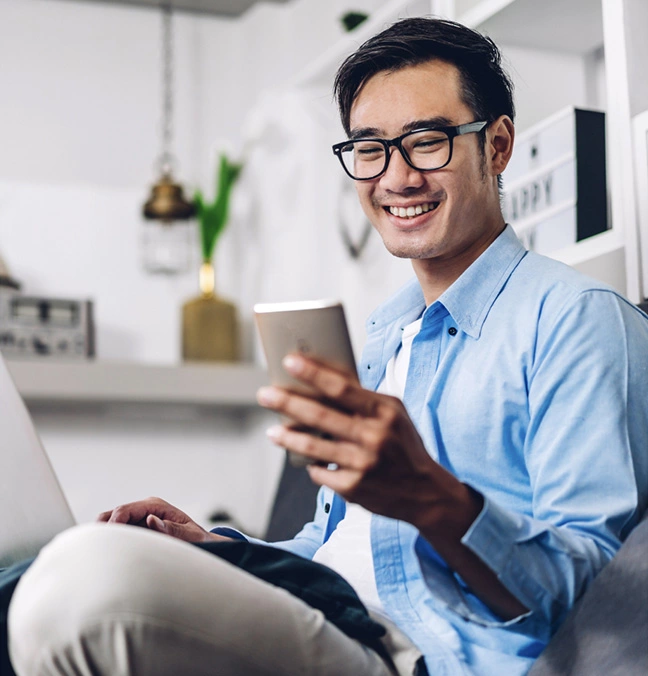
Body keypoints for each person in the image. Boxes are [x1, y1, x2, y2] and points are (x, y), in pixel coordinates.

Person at [7, 17, 648, 676]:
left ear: (499, 145)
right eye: (370, 149)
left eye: (426, 141)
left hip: (420, 656)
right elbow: (334, 544)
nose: (397, 178)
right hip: (334, 616)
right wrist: (222, 550)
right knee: (40, 572)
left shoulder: (578, 321)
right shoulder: (380, 335)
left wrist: (430, 496)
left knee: (80, 588)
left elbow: (592, 603)